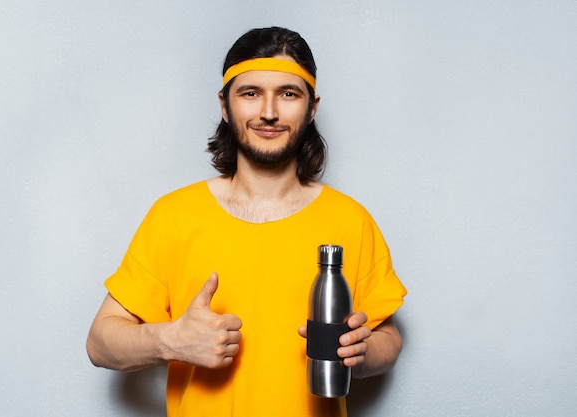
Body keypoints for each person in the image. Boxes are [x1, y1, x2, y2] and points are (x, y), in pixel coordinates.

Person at [87, 26, 407, 417]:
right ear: (225, 105)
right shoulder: (173, 216)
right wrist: (169, 340)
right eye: (250, 93)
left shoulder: (350, 219)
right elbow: (100, 343)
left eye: (288, 94)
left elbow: (388, 337)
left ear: (312, 107)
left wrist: (364, 351)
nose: (268, 112)